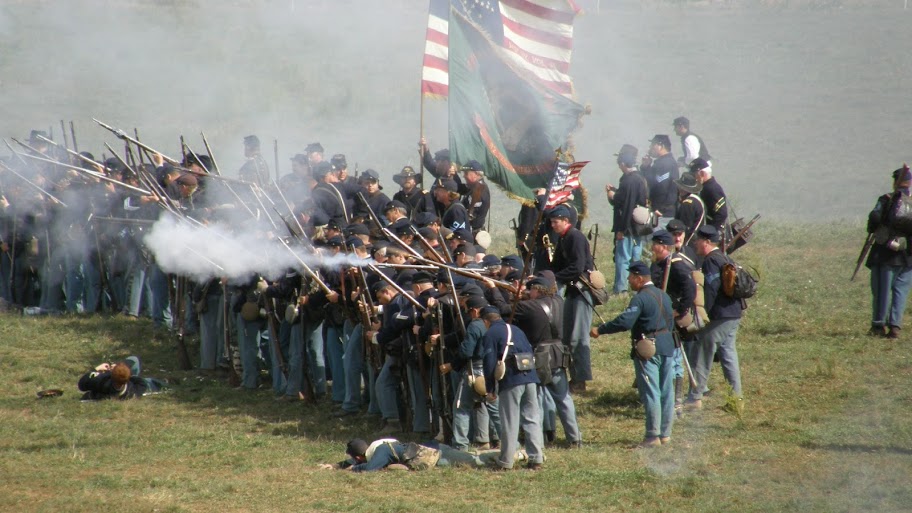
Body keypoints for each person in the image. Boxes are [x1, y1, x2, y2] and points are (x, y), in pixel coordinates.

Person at [590, 262, 676, 447]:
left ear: (639, 278)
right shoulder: (664, 296)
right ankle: (665, 434)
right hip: (668, 346)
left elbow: (625, 322)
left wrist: (601, 329)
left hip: (649, 348)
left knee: (651, 392)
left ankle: (653, 435)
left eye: (630, 277)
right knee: (667, 392)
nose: (628, 280)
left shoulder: (640, 299)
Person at [685, 226, 744, 411]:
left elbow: (710, 289)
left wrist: (703, 315)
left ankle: (695, 397)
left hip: (720, 315)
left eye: (698, 240)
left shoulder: (711, 260)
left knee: (702, 352)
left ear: (707, 242)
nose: (695, 243)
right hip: (734, 314)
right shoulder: (724, 257)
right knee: (728, 356)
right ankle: (736, 400)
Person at [481, 308, 544, 470]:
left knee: (510, 422)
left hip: (511, 379)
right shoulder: (517, 329)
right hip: (530, 377)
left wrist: (490, 389)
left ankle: (506, 462)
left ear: (486, 321)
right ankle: (536, 459)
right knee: (532, 419)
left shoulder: (491, 334)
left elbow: (488, 363)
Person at [649, 229, 696, 418]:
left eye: (655, 244)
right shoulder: (659, 263)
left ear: (663, 246)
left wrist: (680, 311)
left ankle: (676, 404)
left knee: (675, 360)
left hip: (672, 320)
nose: (652, 247)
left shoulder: (675, 264)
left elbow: (689, 288)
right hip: (661, 317)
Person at [548, 205, 594, 392]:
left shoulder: (575, 237)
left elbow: (577, 267)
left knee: (578, 338)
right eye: (551, 222)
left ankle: (580, 380)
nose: (553, 225)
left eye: (555, 221)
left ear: (566, 221)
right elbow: (556, 265)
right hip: (572, 291)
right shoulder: (563, 238)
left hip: (582, 291)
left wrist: (556, 279)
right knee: (566, 336)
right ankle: (574, 377)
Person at [865, 165, 912, 339]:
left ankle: (878, 325)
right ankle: (895, 326)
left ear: (895, 183)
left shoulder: (886, 199)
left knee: (881, 290)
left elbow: (875, 218)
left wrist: (873, 227)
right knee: (901, 290)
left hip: (885, 254)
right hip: (908, 256)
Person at [607, 144, 649, 294]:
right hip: (638, 226)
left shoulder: (629, 181)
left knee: (622, 258)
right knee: (636, 257)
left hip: (627, 225)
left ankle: (621, 288)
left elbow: (625, 206)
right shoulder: (639, 178)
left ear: (623, 164)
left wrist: (621, 230)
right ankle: (637, 286)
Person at [640, 134, 679, 228]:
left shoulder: (665, 164)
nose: (650, 148)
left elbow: (657, 186)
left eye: (653, 145)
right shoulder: (664, 162)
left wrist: (660, 209)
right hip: (662, 212)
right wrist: (646, 167)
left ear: (660, 145)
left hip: (662, 214)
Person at [690, 158, 728, 234]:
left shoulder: (712, 189)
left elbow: (721, 214)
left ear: (702, 174)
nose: (694, 178)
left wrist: (709, 233)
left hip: (712, 233)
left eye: (695, 175)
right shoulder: (705, 187)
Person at [459, 160, 490, 235]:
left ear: (476, 174)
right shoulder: (475, 187)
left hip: (472, 233)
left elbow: (470, 215)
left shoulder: (479, 190)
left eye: (466, 173)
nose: (464, 176)